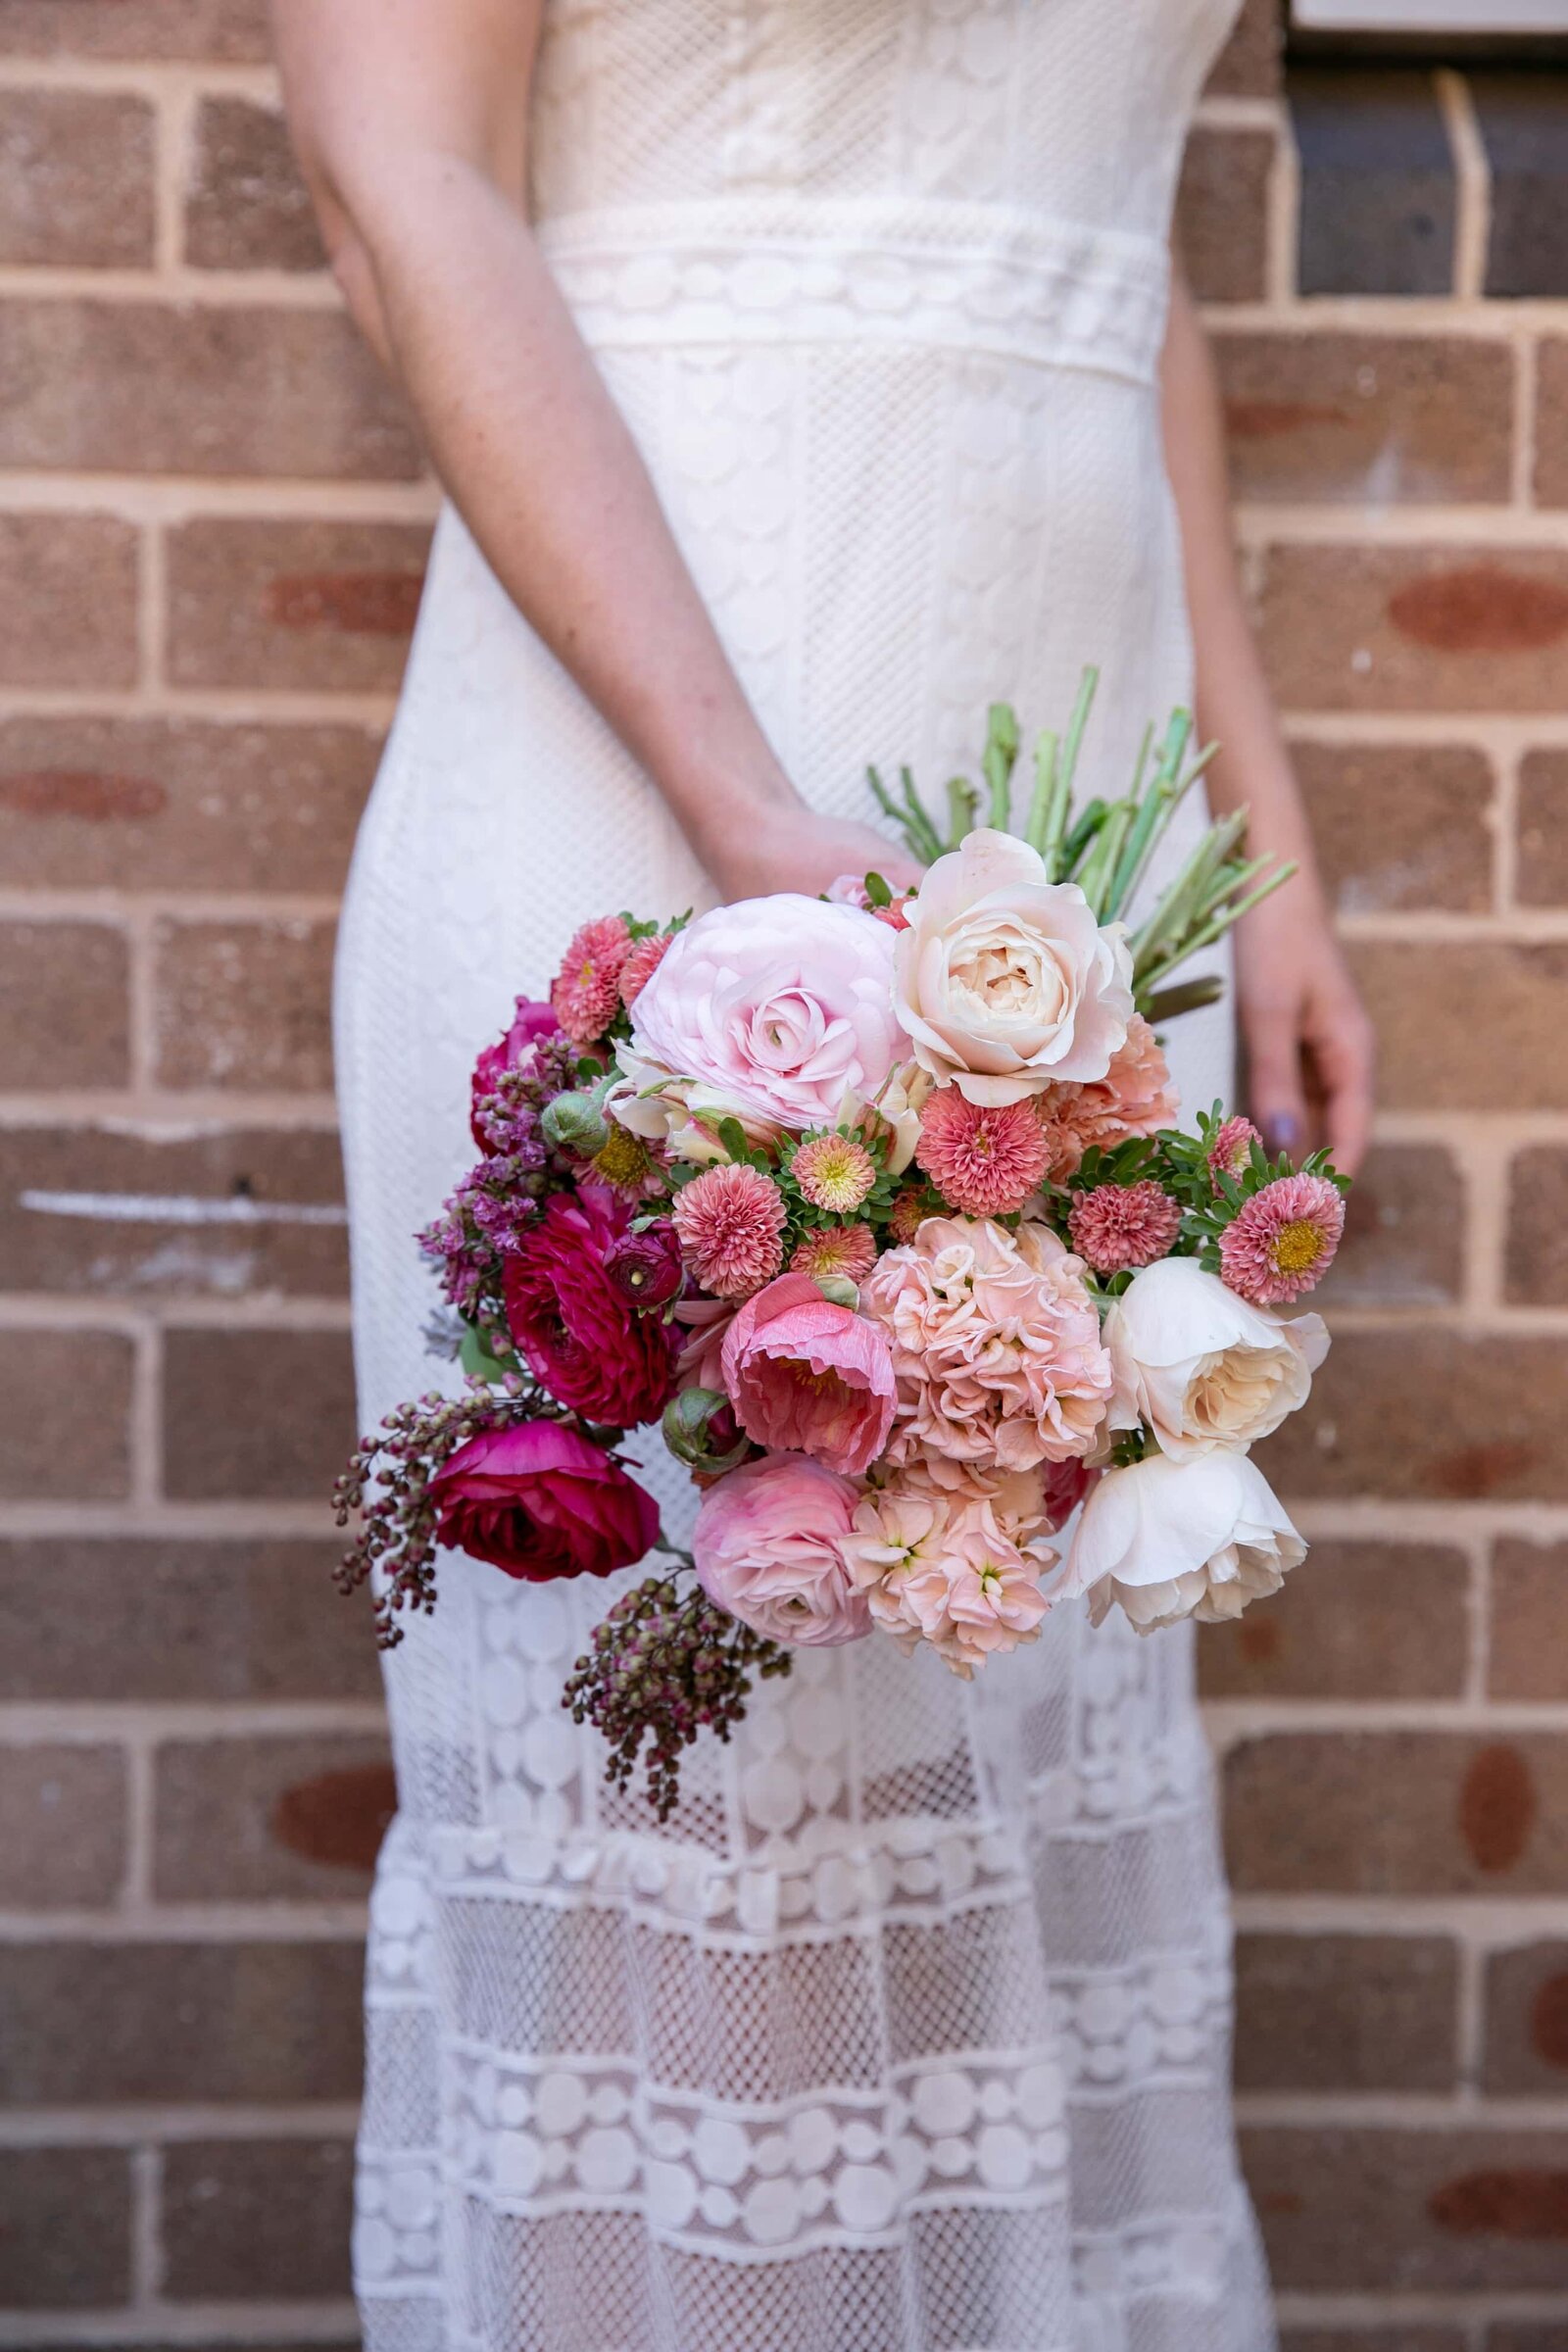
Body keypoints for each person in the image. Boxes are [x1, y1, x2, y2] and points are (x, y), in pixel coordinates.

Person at [275, 4, 1374, 2345]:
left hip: (1061, 854)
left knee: (1004, 1700)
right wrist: (745, 814)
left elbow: (1112, 260)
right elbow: (408, 194)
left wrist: (1244, 842)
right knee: (702, 1813)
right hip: (661, 776)